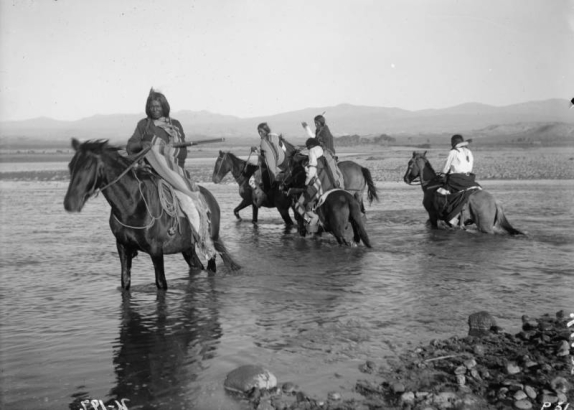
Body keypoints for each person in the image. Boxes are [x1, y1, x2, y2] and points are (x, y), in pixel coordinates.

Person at [126, 88, 215, 262]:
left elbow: (180, 152)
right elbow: (131, 145)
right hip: (146, 171)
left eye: (158, 106)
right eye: (152, 106)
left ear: (164, 107)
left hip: (170, 171)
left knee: (188, 203)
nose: (155, 109)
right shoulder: (143, 125)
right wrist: (143, 145)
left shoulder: (175, 125)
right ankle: (129, 241)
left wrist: (158, 149)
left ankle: (202, 241)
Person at [437, 134, 480, 227]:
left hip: (456, 179)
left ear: (454, 142)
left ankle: (450, 218)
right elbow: (470, 166)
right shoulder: (468, 151)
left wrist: (442, 174)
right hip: (469, 178)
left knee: (440, 193)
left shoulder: (453, 152)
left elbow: (446, 166)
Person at [249, 123, 286, 206]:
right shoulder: (272, 139)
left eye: (261, 131)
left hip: (268, 167)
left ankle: (262, 196)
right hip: (277, 165)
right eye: (258, 132)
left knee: (251, 181)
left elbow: (265, 156)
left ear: (266, 131)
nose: (260, 134)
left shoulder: (265, 141)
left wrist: (256, 151)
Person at [301, 115, 342, 188]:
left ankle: (311, 172)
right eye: (315, 123)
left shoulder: (325, 130)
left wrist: (307, 130)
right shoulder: (318, 130)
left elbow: (318, 140)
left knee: (312, 152)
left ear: (321, 123)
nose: (316, 125)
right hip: (320, 149)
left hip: (327, 150)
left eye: (317, 123)